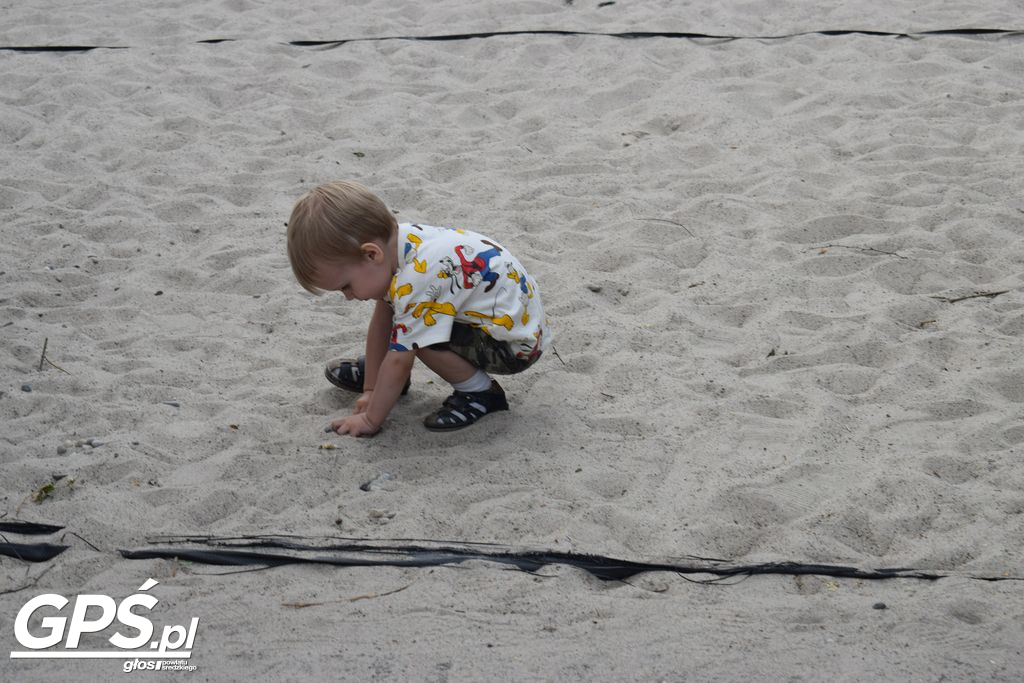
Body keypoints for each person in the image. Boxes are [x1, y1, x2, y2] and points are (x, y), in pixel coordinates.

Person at [287, 180, 552, 437]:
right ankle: (386, 381)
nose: (348, 297)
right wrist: (371, 388)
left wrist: (370, 419)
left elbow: (401, 358)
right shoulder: (400, 242)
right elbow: (383, 316)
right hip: (498, 323)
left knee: (416, 337)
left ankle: (480, 393)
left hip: (512, 346)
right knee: (405, 321)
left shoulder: (417, 278)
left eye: (346, 286)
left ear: (371, 254)